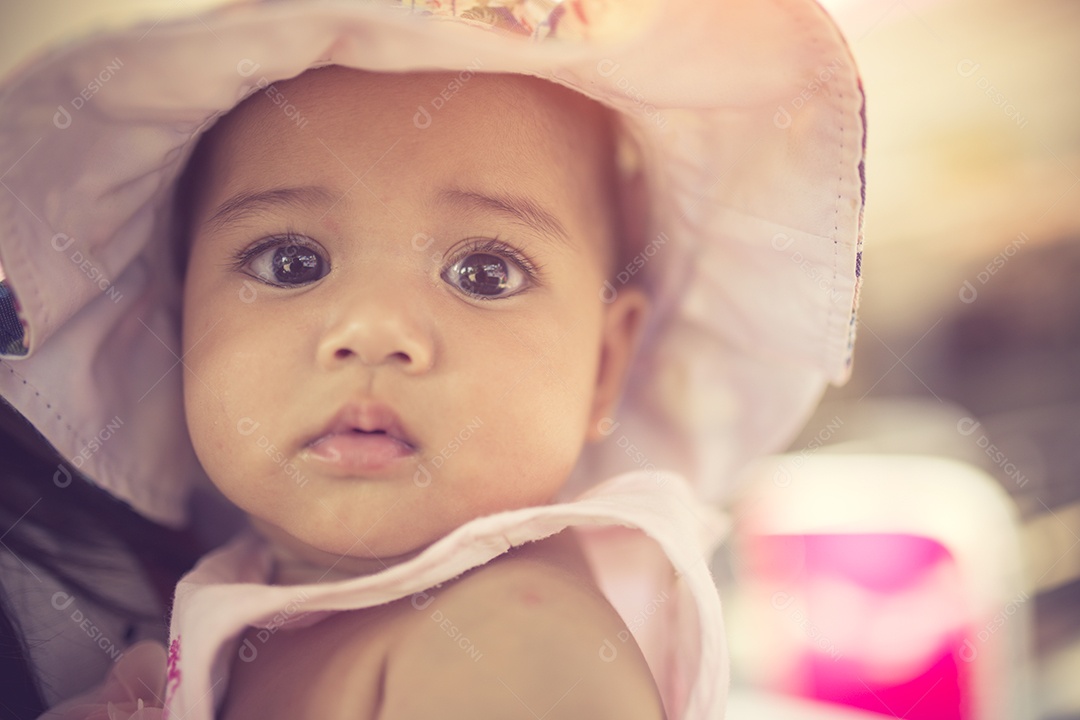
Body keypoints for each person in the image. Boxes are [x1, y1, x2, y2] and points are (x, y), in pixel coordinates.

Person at [0, 1, 866, 718]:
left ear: (606, 363)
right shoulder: (224, 611)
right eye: (290, 262)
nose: (374, 332)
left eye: (483, 274)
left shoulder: (515, 639)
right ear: (180, 320)